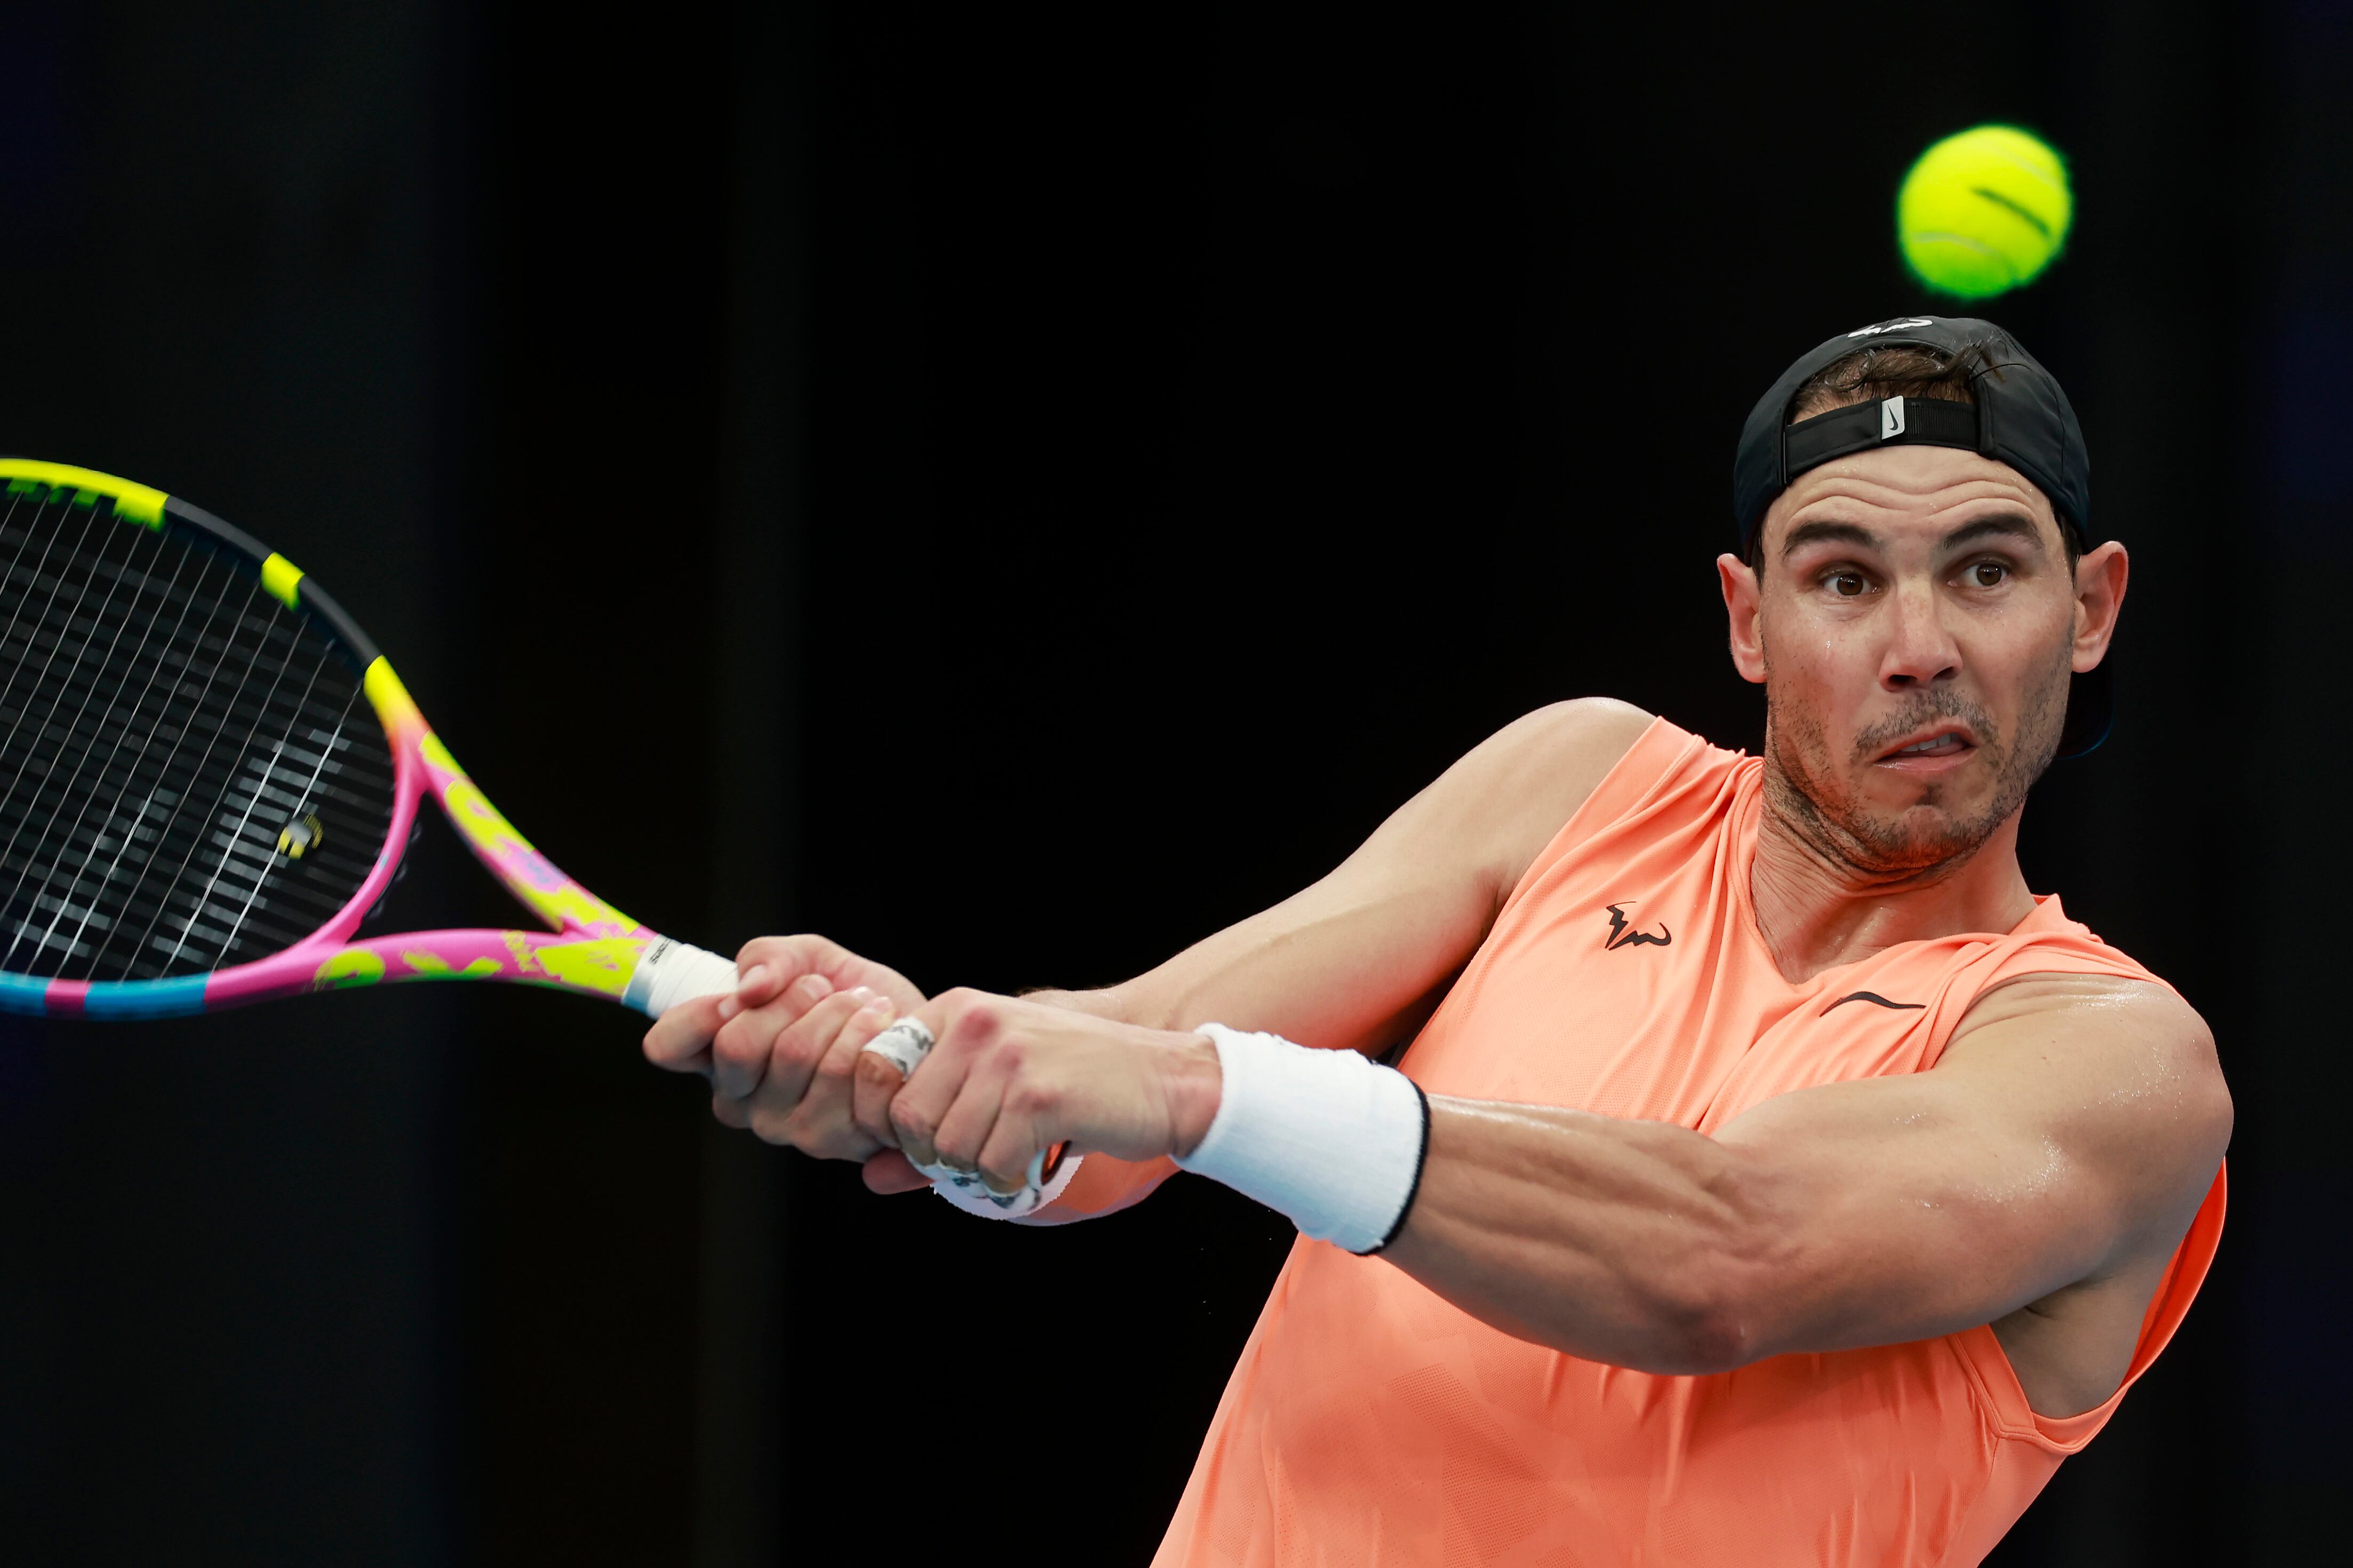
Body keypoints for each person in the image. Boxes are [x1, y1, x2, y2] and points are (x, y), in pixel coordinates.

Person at [645, 316, 2230, 1566]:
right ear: (1748, 620)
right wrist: (946, 1081)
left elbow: (1723, 1254)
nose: (1914, 648)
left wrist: (1198, 1091)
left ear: (2087, 608)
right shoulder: (1573, 783)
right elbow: (1113, 1087)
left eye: (1984, 568)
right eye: (1840, 576)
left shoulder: (2112, 1061)